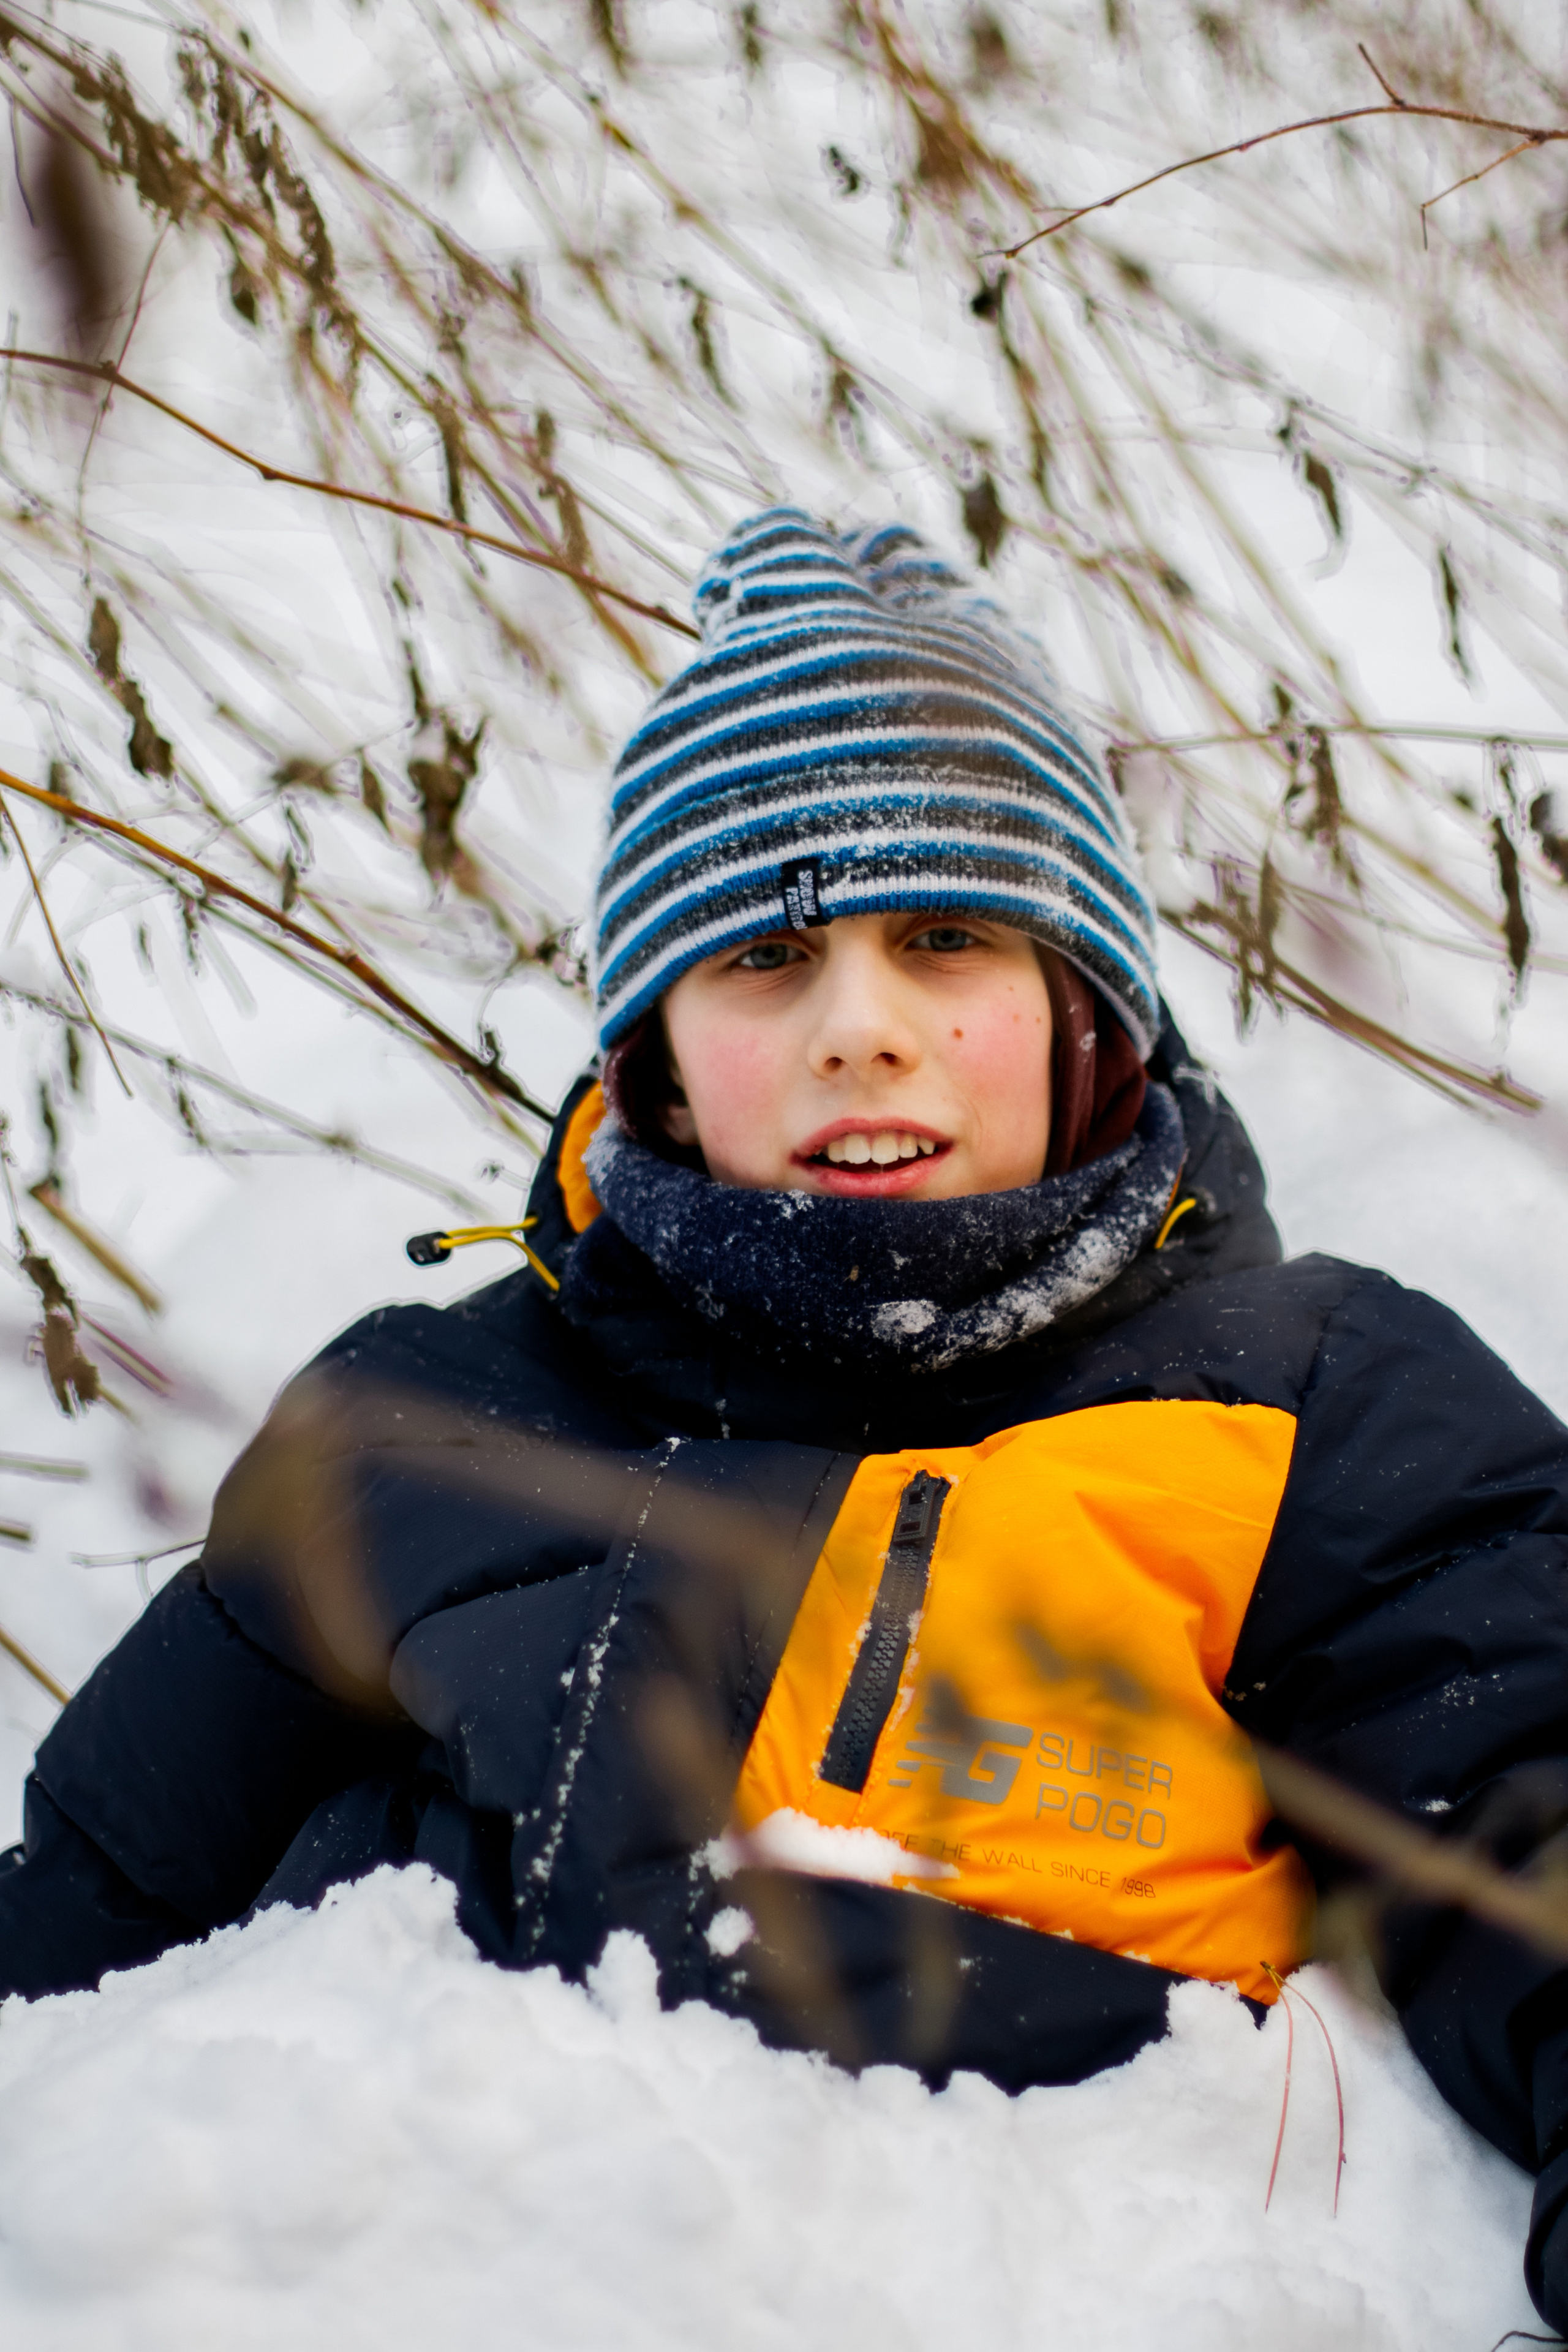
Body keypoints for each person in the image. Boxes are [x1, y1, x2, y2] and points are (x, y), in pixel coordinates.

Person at [4, 508, 1568, 2325]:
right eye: (764, 958)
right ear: (650, 1049)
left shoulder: (1313, 1399)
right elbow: (98, 1912)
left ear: (1087, 1014)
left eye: (947, 940)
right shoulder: (417, 1423)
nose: (861, 1028)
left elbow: (1522, 1816)